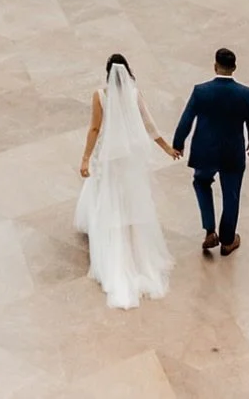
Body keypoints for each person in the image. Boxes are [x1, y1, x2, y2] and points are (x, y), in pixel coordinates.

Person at [76, 55, 178, 309]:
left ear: (108, 73)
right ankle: (134, 239)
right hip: (130, 156)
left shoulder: (100, 96)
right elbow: (148, 124)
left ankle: (109, 239)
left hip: (108, 157)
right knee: (130, 195)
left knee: (106, 195)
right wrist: (166, 147)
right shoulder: (134, 94)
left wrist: (86, 157)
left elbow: (94, 129)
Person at [172, 48, 249, 258]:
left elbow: (186, 119)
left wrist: (178, 143)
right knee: (231, 195)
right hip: (232, 153)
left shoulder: (201, 91)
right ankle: (228, 241)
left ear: (215, 66)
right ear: (234, 68)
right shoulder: (245, 93)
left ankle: (210, 230)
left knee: (201, 182)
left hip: (205, 152)